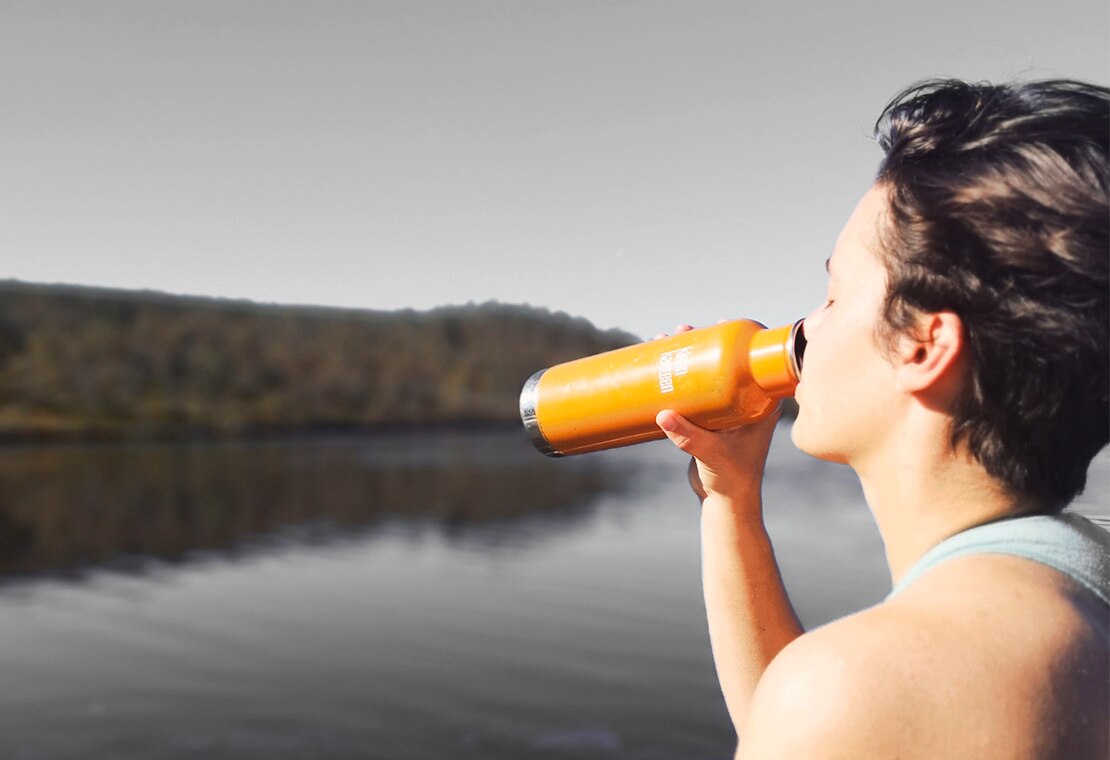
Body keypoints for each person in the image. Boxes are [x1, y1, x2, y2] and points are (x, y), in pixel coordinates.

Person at [655, 79, 1109, 759]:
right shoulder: (1084, 575)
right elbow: (802, 731)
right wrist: (731, 503)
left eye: (834, 295)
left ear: (923, 347)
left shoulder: (857, 688)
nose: (803, 330)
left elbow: (828, 719)